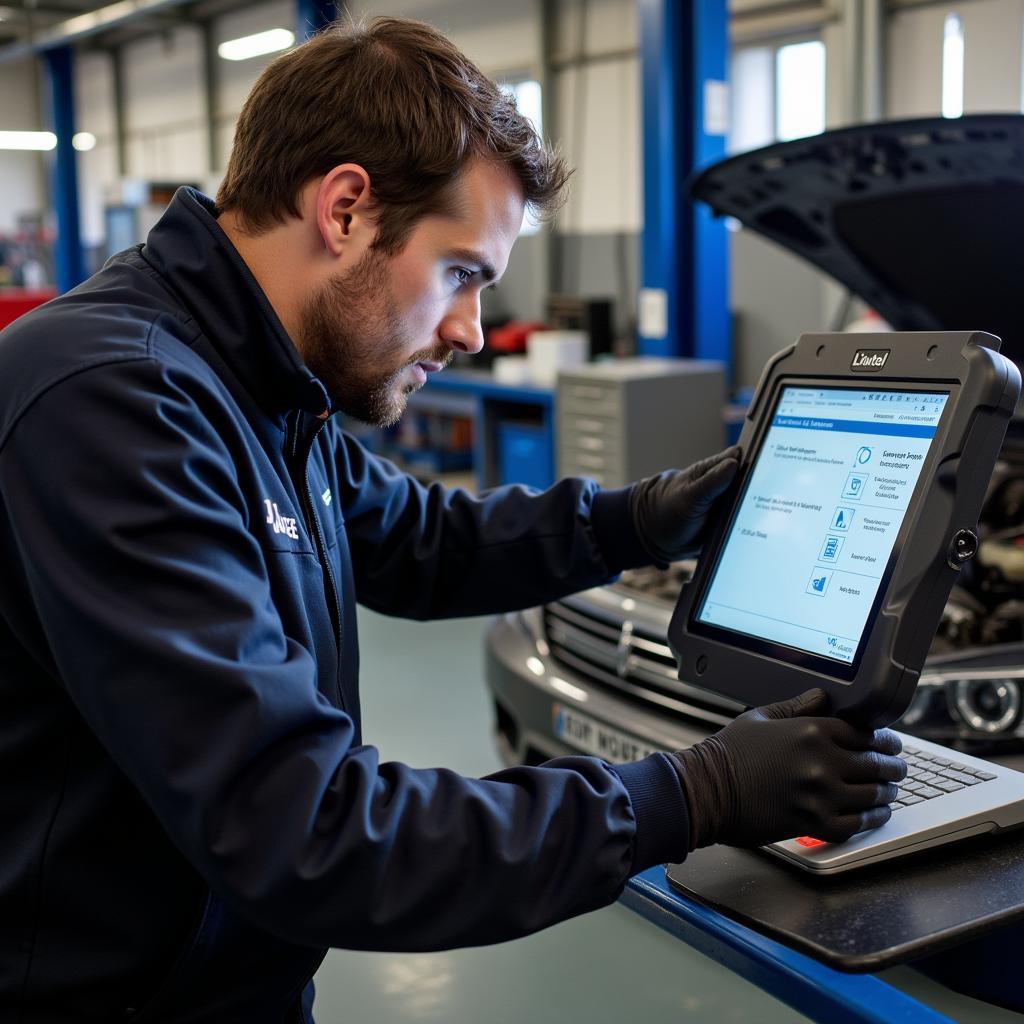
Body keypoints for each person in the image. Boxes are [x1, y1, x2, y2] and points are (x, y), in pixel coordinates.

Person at [0, 16, 905, 1023]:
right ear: (344, 209)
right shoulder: (116, 404)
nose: (472, 329)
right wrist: (692, 795)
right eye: (463, 272)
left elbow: (416, 542)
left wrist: (640, 519)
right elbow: (306, 831)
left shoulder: (256, 382)